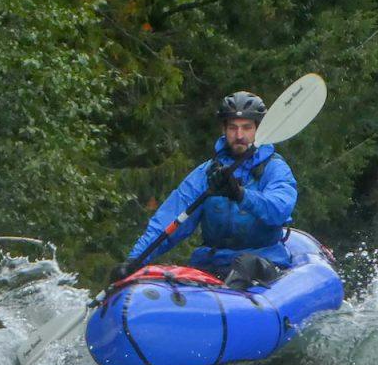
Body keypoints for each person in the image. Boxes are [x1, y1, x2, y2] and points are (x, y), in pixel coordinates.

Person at [114, 90, 297, 289]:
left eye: (247, 128)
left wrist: (241, 195)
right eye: (232, 128)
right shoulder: (207, 173)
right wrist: (134, 260)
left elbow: (279, 210)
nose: (239, 135)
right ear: (224, 130)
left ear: (258, 130)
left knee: (246, 264)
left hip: (264, 261)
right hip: (214, 263)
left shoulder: (275, 168)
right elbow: (171, 218)